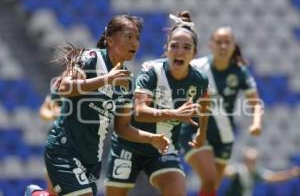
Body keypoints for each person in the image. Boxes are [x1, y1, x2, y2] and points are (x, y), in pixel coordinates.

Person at [25, 14, 170, 196]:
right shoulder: (91, 58)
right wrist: (106, 80)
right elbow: (64, 86)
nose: (135, 43)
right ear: (110, 40)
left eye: (137, 38)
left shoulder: (128, 81)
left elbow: (122, 128)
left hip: (91, 159)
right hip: (65, 149)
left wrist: (150, 138)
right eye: (128, 36)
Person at [104, 11, 210, 196]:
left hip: (163, 147)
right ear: (167, 48)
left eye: (186, 47)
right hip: (130, 143)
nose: (179, 51)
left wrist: (202, 133)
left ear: (194, 53)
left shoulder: (199, 80)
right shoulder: (151, 71)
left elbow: (204, 104)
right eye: (174, 46)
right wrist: (174, 114)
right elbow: (140, 111)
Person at [179, 26, 264, 196]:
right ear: (211, 44)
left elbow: (255, 103)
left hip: (224, 135)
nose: (223, 46)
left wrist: (256, 123)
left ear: (233, 45)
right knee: (209, 179)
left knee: (211, 187)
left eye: (227, 42)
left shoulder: (240, 71)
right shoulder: (197, 66)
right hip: (194, 132)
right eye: (219, 42)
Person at [224, 147, 300, 196]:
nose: (252, 163)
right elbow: (227, 172)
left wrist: (290, 174)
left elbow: (273, 177)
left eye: (253, 161)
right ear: (245, 160)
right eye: (250, 160)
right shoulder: (238, 170)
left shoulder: (256, 171)